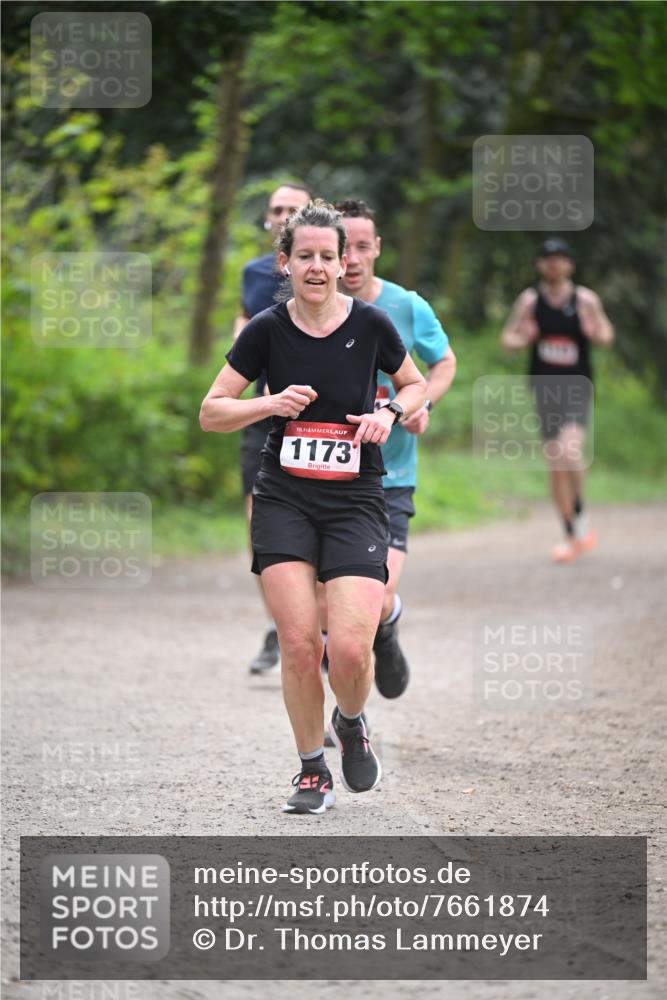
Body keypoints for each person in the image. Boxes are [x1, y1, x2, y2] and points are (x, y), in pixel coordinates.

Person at [200, 201, 426, 814]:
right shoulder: (267, 330)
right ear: (286, 262)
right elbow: (211, 410)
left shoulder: (373, 323)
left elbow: (414, 382)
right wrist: (267, 406)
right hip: (285, 498)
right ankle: (310, 770)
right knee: (300, 643)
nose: (321, 266)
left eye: (331, 255)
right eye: (307, 256)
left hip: (355, 499)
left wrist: (388, 413)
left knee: (350, 649)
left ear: (344, 259)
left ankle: (351, 721)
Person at [334, 199, 456, 698]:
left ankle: (388, 625)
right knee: (333, 607)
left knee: (376, 595)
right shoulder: (308, 308)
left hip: (391, 478)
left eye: (364, 245)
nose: (354, 258)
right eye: (346, 247)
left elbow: (442, 364)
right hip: (329, 479)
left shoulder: (407, 306)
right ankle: (343, 710)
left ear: (377, 248)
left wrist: (420, 404)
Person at [233, 183, 312, 674]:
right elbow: (244, 322)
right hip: (263, 414)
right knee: (258, 529)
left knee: (316, 526)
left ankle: (321, 625)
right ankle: (280, 628)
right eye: (276, 210)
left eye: (294, 209)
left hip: (320, 421)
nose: (283, 216)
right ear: (267, 221)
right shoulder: (253, 274)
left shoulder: (327, 266)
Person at [501, 238, 614, 562]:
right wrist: (523, 338)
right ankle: (572, 534)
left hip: (577, 387)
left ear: (570, 265)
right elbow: (507, 338)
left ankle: (580, 508)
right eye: (548, 258)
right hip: (543, 389)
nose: (554, 264)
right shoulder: (530, 301)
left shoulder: (585, 299)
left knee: (570, 449)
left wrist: (595, 328)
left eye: (560, 258)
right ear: (539, 264)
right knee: (555, 463)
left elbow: (606, 336)